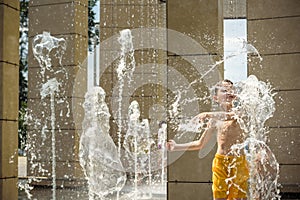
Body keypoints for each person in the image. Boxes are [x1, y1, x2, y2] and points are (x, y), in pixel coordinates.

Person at [166, 79, 249, 200]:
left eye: (231, 90)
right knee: (219, 197)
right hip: (220, 162)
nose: (229, 92)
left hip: (239, 162)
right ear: (216, 98)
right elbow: (200, 144)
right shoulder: (214, 120)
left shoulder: (239, 112)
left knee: (239, 198)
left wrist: (208, 114)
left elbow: (228, 116)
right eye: (224, 90)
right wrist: (176, 147)